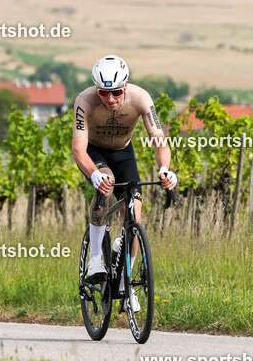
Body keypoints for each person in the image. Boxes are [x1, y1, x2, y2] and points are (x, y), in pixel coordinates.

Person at [71, 55, 177, 312]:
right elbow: (78, 149)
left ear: (126, 85)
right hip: (94, 153)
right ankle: (96, 257)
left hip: (124, 153)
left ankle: (125, 283)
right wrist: (94, 174)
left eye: (116, 92)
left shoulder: (140, 98)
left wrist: (165, 169)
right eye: (104, 93)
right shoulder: (84, 101)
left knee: (134, 218)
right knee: (106, 183)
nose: (110, 99)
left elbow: (159, 139)